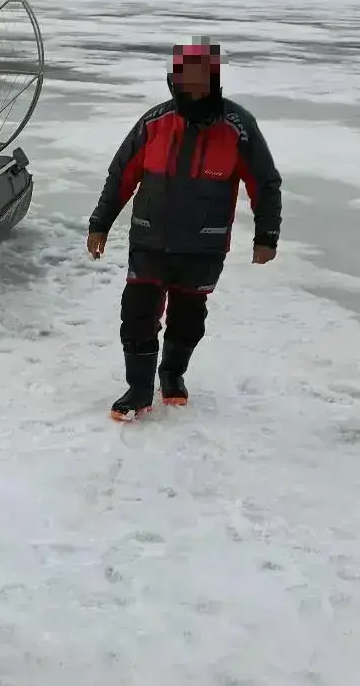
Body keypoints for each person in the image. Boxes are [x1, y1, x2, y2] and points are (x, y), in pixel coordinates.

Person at [86, 41, 282, 421]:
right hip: (149, 238)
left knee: (188, 317)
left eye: (200, 78)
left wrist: (266, 235)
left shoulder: (238, 127)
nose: (192, 86)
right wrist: (100, 223)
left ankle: (172, 375)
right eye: (184, 78)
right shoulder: (154, 122)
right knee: (137, 314)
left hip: (203, 245)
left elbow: (264, 182)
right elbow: (122, 174)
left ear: (213, 80)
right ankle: (139, 390)